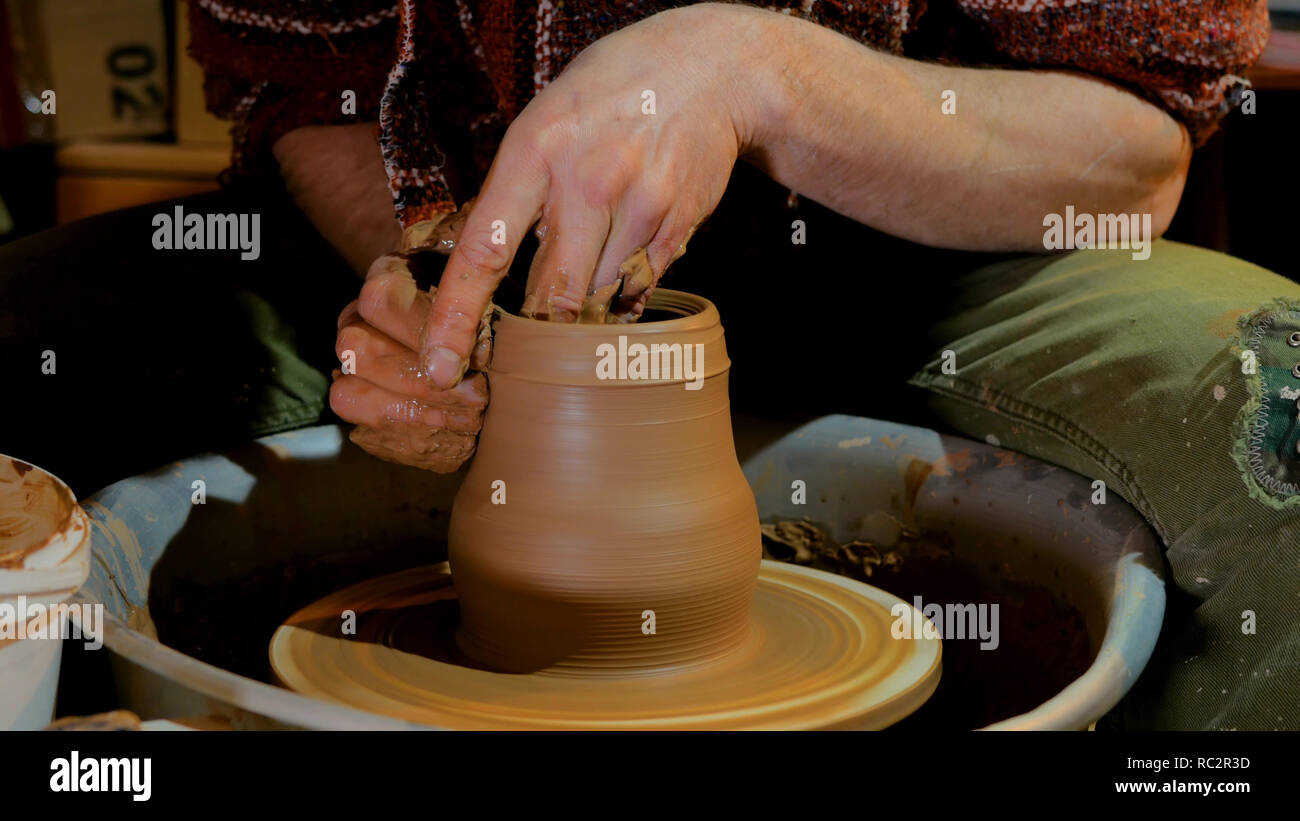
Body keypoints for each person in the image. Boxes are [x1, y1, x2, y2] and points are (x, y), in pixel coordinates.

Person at [2, 0, 1290, 729]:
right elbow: (314, 88)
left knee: (1282, 421)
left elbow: (1134, 149)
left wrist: (758, 74)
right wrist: (440, 283)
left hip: (940, 253)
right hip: (445, 231)